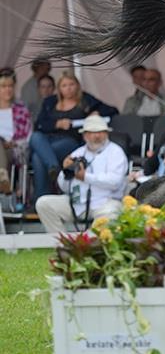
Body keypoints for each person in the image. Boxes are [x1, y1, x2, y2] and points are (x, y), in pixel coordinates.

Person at [30, 71, 119, 200]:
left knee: (37, 156)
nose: (68, 88)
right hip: (49, 139)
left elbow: (113, 110)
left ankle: (40, 198)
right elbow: (39, 124)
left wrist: (96, 112)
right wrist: (57, 124)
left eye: (71, 84)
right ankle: (53, 167)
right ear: (59, 88)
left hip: (71, 140)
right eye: (64, 85)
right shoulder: (50, 101)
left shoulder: (85, 99)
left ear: (77, 86)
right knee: (35, 137)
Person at [35, 114, 128, 233]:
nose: (97, 136)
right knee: (43, 203)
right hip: (77, 203)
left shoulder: (115, 152)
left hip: (104, 203)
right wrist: (66, 172)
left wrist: (85, 177)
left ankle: (91, 245)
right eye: (93, 132)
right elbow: (64, 187)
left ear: (106, 133)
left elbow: (114, 182)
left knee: (111, 213)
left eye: (101, 132)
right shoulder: (77, 153)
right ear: (85, 135)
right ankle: (61, 244)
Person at [0, 68, 32, 196]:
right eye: (3, 86)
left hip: (16, 150)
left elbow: (28, 135)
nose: (8, 89)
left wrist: (14, 143)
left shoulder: (21, 109)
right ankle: (2, 178)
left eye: (10, 86)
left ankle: (2, 177)